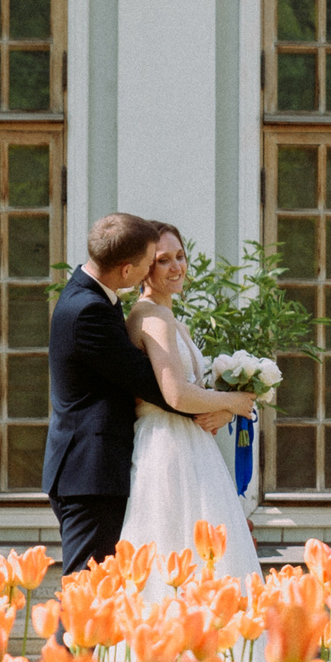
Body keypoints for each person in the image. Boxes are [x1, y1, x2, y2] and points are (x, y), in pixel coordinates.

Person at [117, 222, 262, 595]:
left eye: (180, 256)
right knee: (175, 547)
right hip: (167, 448)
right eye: (163, 260)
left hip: (192, 447)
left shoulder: (172, 320)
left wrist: (226, 411)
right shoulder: (150, 317)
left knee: (205, 556)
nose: (175, 267)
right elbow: (176, 395)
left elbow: (194, 392)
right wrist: (236, 402)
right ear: (144, 268)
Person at [43, 213, 184, 577]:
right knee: (86, 594)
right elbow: (150, 384)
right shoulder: (87, 310)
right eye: (149, 263)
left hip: (96, 471)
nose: (152, 271)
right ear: (126, 271)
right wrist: (224, 405)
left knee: (100, 595)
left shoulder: (94, 295)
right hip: (89, 476)